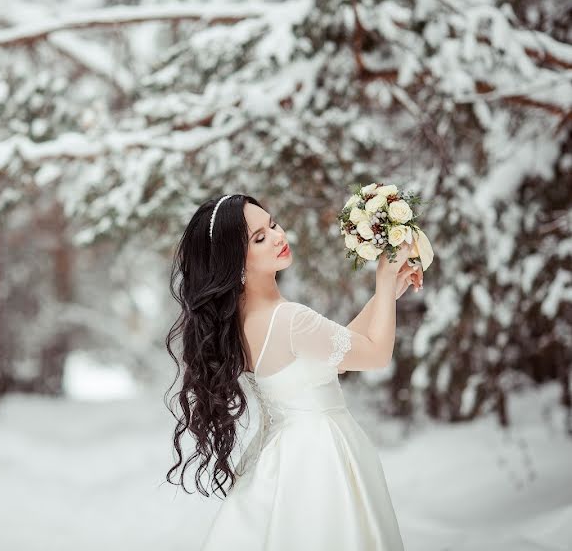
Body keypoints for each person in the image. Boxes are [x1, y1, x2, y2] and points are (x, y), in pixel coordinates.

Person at [164, 194, 421, 551]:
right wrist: (383, 277)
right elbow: (375, 355)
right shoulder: (288, 318)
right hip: (319, 456)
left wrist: (386, 297)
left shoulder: (242, 318)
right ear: (235, 260)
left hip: (284, 453)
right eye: (259, 238)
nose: (277, 236)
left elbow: (335, 352)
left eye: (272, 224)